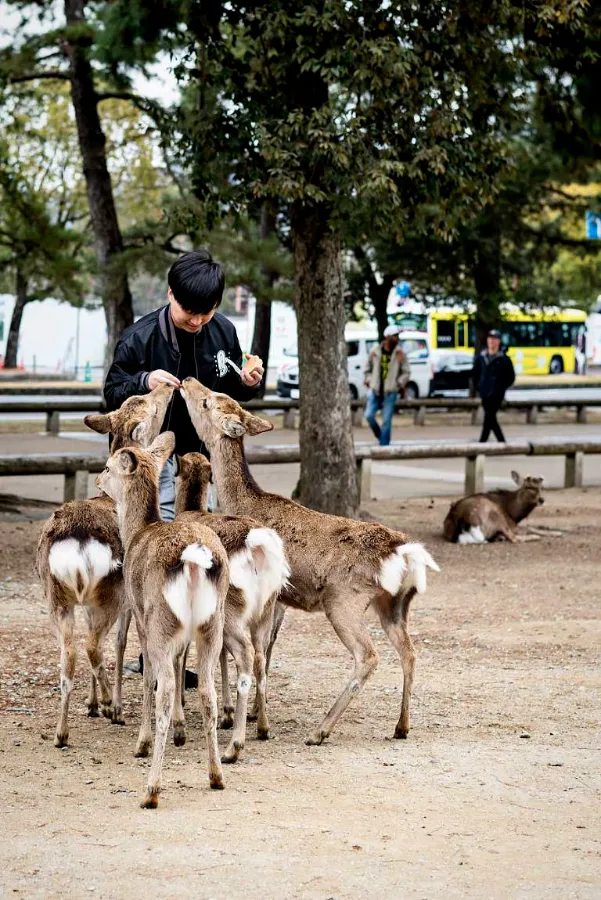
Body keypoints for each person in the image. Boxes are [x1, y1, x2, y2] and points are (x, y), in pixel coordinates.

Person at [103, 250, 264, 519]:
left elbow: (230, 390)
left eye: (206, 312)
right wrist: (145, 380)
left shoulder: (225, 331)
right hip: (151, 454)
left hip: (200, 455)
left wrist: (248, 383)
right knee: (159, 528)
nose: (196, 321)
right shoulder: (138, 337)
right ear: (170, 294)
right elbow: (111, 394)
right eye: (188, 312)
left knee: (201, 524)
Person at [363, 324, 410, 446]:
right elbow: (367, 369)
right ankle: (382, 436)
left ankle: (384, 446)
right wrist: (369, 379)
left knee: (386, 421)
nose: (397, 339)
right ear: (388, 337)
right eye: (395, 336)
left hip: (390, 390)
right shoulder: (375, 351)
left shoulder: (400, 354)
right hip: (375, 389)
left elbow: (406, 372)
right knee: (369, 415)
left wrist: (399, 383)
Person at [472, 329, 515, 443]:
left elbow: (510, 377)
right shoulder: (481, 358)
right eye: (490, 338)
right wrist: (479, 387)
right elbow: (475, 374)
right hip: (485, 393)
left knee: (489, 417)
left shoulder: (504, 359)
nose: (492, 341)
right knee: (491, 418)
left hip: (497, 394)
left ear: (499, 341)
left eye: (495, 339)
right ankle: (502, 442)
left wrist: (501, 387)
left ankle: (482, 443)